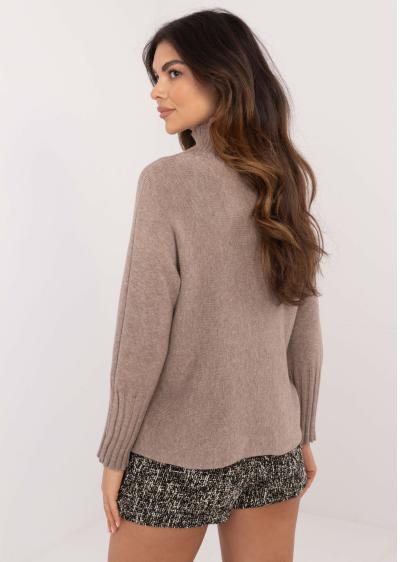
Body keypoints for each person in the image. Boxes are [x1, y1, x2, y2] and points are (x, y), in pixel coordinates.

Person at [97, 8, 326, 562]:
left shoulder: (166, 182)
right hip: (275, 447)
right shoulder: (282, 180)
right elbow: (306, 327)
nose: (157, 91)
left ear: (224, 74)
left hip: (175, 456)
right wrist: (301, 433)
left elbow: (142, 332)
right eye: (156, 76)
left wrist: (115, 453)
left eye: (173, 72)